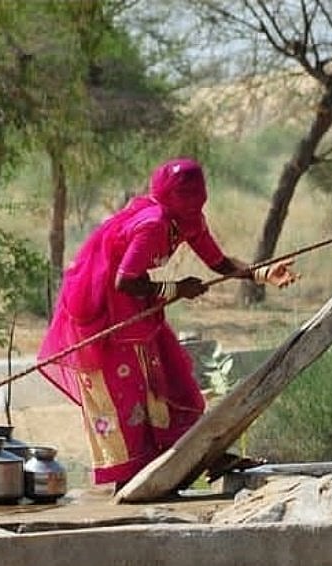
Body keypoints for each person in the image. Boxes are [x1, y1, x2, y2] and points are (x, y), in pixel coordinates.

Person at [38, 157, 297, 490]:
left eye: (197, 194)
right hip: (101, 306)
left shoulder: (188, 221)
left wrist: (261, 273)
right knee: (124, 392)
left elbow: (218, 262)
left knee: (169, 380)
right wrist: (176, 289)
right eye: (186, 195)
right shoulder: (154, 223)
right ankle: (132, 479)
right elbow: (125, 280)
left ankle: (203, 455)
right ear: (171, 196)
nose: (194, 201)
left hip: (135, 305)